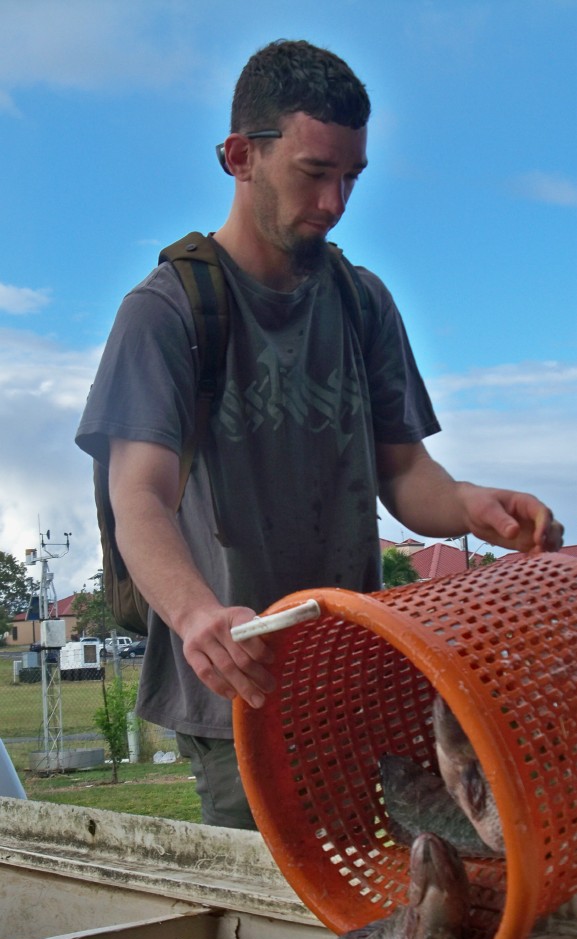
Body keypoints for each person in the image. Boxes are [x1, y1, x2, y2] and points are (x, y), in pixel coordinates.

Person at [76, 39, 564, 830]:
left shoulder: (362, 302)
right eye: (314, 173)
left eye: (351, 177)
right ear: (240, 155)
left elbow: (405, 475)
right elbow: (139, 496)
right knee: (269, 920)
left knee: (399, 907)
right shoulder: (167, 311)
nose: (335, 201)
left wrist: (475, 504)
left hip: (357, 681)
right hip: (239, 685)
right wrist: (199, 614)